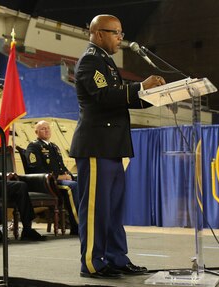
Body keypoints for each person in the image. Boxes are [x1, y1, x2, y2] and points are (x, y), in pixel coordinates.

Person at [70, 14, 166, 278]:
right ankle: (92, 262)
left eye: (121, 33)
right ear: (99, 33)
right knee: (96, 209)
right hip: (96, 145)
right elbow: (103, 97)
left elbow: (122, 99)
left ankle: (115, 257)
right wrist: (138, 87)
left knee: (112, 210)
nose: (121, 38)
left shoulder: (107, 63)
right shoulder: (91, 60)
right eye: (116, 33)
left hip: (112, 147)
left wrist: (153, 95)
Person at [25, 120, 79, 235]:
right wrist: (59, 176)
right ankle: (77, 225)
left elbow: (62, 166)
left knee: (80, 181)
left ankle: (87, 222)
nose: (46, 130)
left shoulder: (54, 147)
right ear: (36, 132)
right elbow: (35, 169)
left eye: (48, 128)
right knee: (72, 187)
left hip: (59, 180)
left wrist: (69, 175)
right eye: (43, 128)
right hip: (47, 183)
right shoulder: (34, 146)